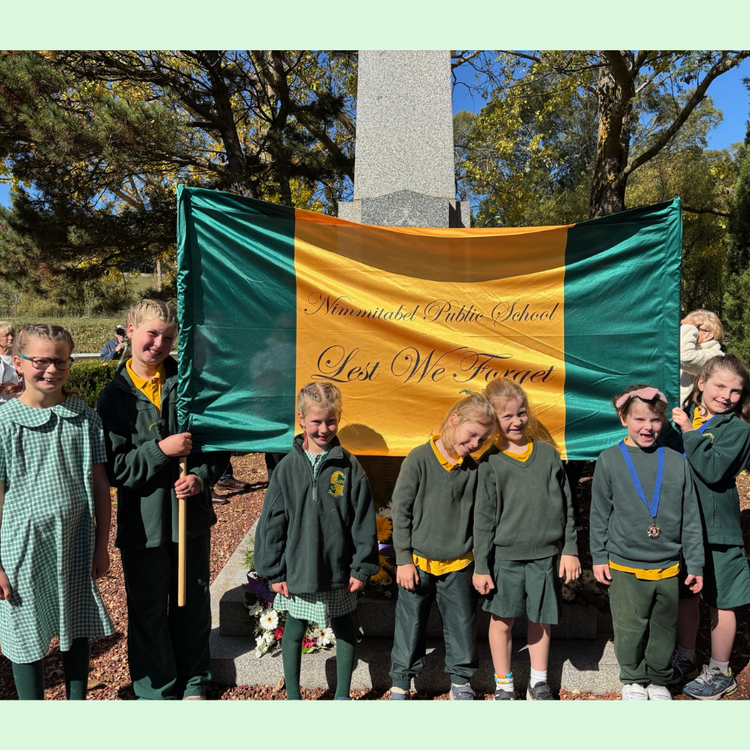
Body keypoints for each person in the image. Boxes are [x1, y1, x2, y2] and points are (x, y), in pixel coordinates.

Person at [97, 300, 228, 700]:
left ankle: (194, 682)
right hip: (144, 525)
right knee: (148, 612)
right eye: (151, 333)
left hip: (189, 521)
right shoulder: (113, 398)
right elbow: (117, 470)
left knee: (192, 604)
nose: (158, 343)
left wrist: (201, 479)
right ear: (130, 330)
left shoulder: (188, 387)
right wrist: (162, 450)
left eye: (168, 338)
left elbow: (215, 449)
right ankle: (158, 690)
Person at [0, 324, 113, 699]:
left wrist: (101, 545)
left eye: (60, 361)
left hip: (75, 542)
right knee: (26, 632)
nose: (51, 369)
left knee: (75, 624)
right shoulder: (4, 423)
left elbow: (100, 488)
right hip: (22, 549)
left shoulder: (84, 418)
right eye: (40, 361)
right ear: (18, 363)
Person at [254, 382, 378, 700]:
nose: (324, 429)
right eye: (316, 422)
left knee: (344, 627)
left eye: (331, 421)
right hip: (298, 570)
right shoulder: (286, 469)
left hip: (337, 571)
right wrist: (274, 571)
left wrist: (361, 566)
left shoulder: (349, 468)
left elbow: (363, 521)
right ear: (301, 420)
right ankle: (293, 694)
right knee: (293, 628)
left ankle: (341, 695)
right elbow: (272, 523)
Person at [590, 385, 704, 701]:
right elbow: (599, 514)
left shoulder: (677, 461)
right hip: (625, 563)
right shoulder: (609, 460)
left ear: (663, 420)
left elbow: (691, 517)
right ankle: (633, 679)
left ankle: (658, 679)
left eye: (655, 419)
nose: (647, 427)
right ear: (623, 417)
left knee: (664, 629)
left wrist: (695, 563)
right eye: (639, 419)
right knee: (629, 628)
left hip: (668, 565)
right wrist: (599, 555)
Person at [473, 378, 580, 700]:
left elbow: (567, 507)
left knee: (541, 619)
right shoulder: (489, 463)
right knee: (501, 621)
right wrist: (481, 565)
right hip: (504, 558)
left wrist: (570, 549)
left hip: (545, 556)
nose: (516, 421)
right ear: (493, 419)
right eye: (507, 416)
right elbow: (482, 520)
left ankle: (538, 681)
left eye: (521, 413)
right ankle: (503, 684)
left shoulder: (548, 456)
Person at [389, 393, 496, 700]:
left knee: (463, 625)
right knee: (409, 627)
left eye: (483, 438)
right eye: (472, 434)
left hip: (459, 565)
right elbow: (401, 511)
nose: (476, 443)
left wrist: (481, 566)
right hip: (418, 565)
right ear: (453, 421)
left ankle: (461, 682)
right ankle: (400, 682)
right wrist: (404, 559)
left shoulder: (473, 471)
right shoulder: (419, 459)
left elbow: (480, 521)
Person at [669, 353, 750, 700]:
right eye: (719, 385)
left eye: (735, 391)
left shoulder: (738, 429)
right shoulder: (680, 416)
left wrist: (689, 432)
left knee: (722, 599)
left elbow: (714, 469)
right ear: (701, 383)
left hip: (718, 529)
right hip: (682, 526)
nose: (726, 396)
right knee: (686, 593)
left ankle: (719, 670)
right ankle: (685, 658)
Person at [679, 310, 724, 405]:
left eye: (695, 327)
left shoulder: (715, 357)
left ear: (708, 335)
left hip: (694, 414)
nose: (687, 330)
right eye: (684, 326)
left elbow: (684, 358)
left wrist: (689, 327)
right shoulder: (688, 349)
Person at [0, 321, 19, 405]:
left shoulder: (21, 358)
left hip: (17, 404)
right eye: (6, 335)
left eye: (12, 334)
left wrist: (19, 387)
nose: (11, 338)